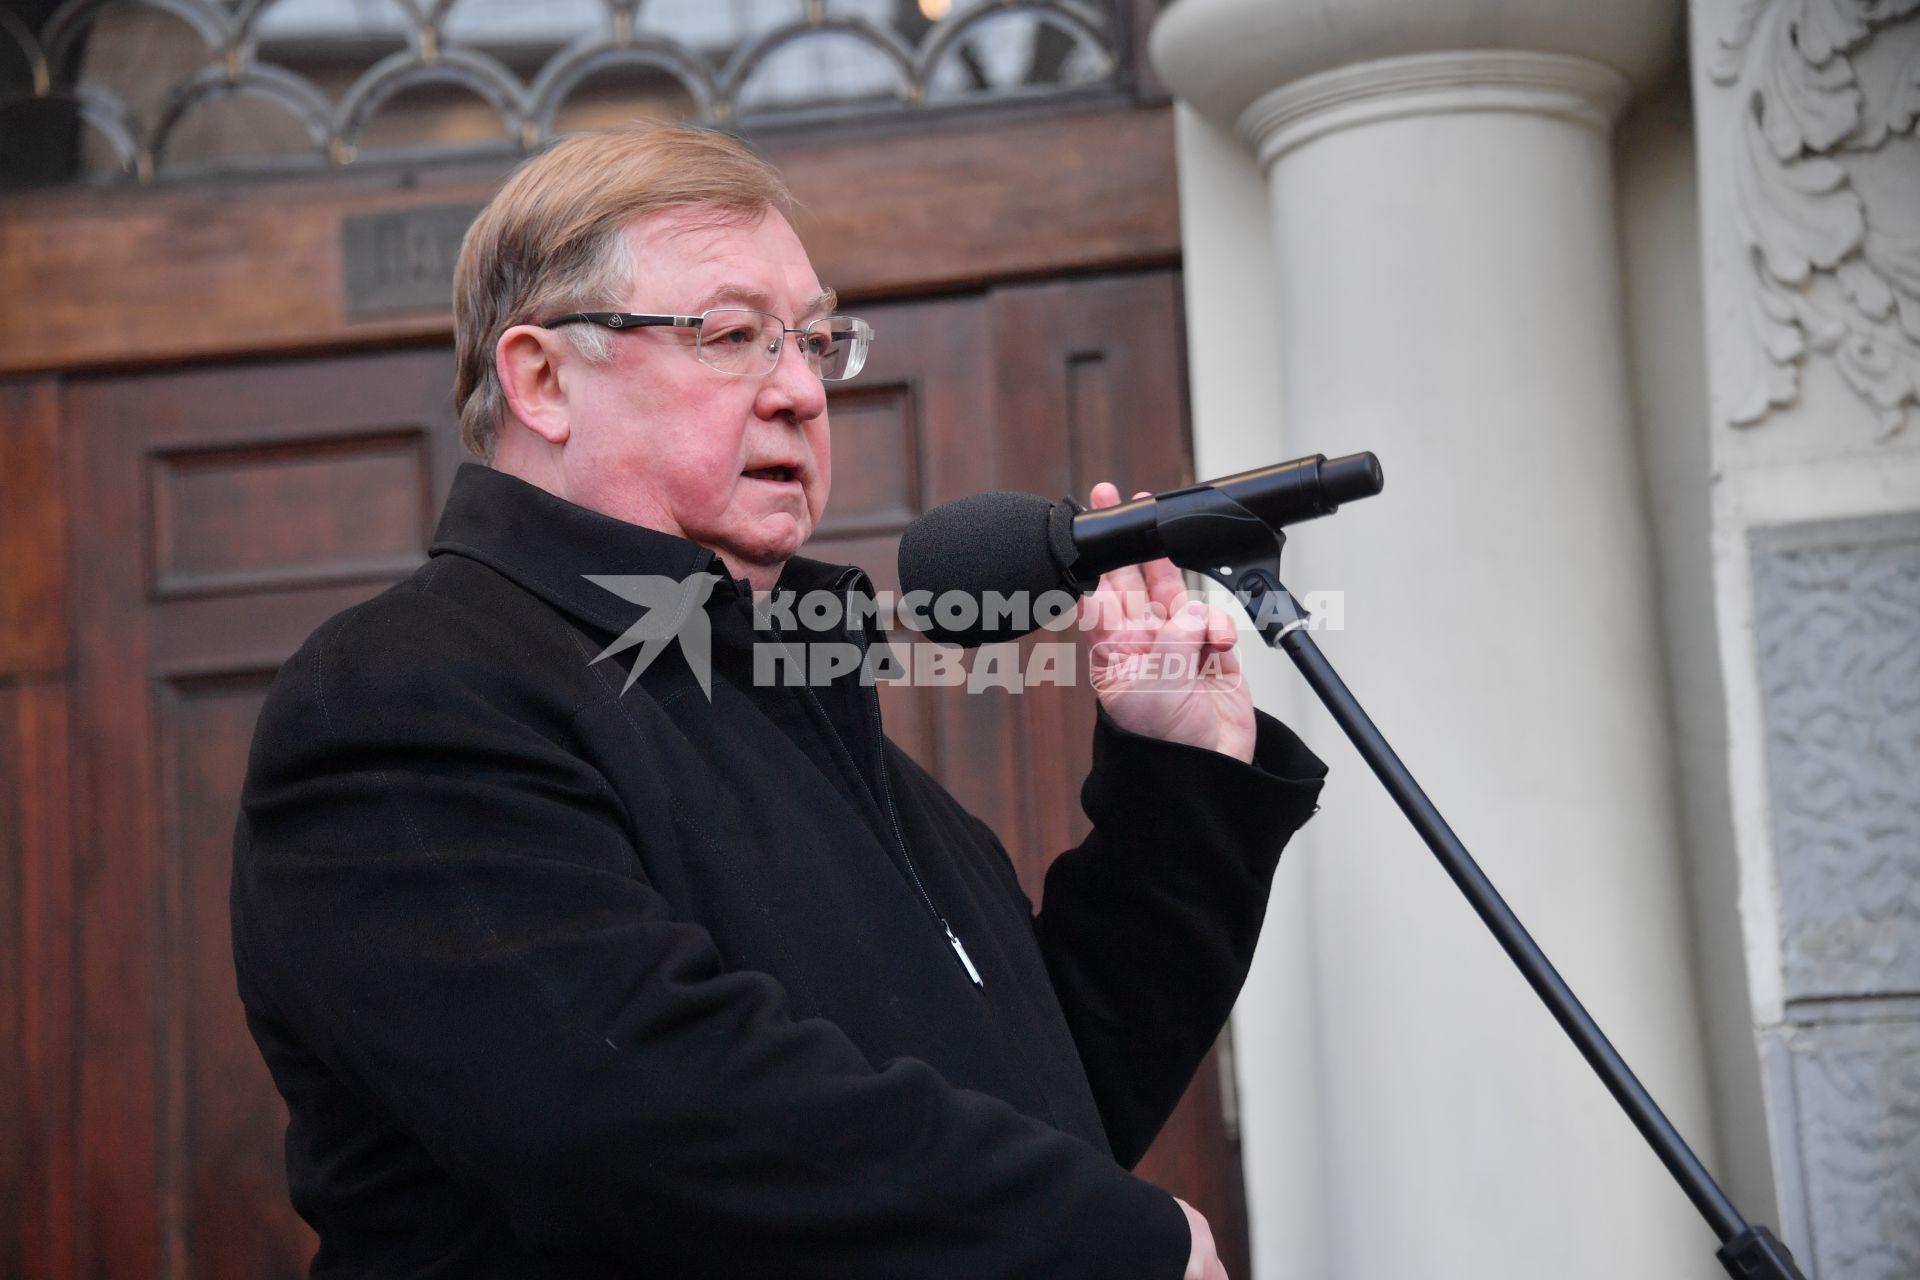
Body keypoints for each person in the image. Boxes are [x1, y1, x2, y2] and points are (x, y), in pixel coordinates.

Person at [230, 122, 1326, 1280]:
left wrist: (1182, 784)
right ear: (543, 378)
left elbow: (1048, 1105)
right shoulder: (404, 696)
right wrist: (1116, 1242)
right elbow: (641, 1121)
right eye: (734, 335)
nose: (802, 390)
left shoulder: (818, 720)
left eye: (813, 340)